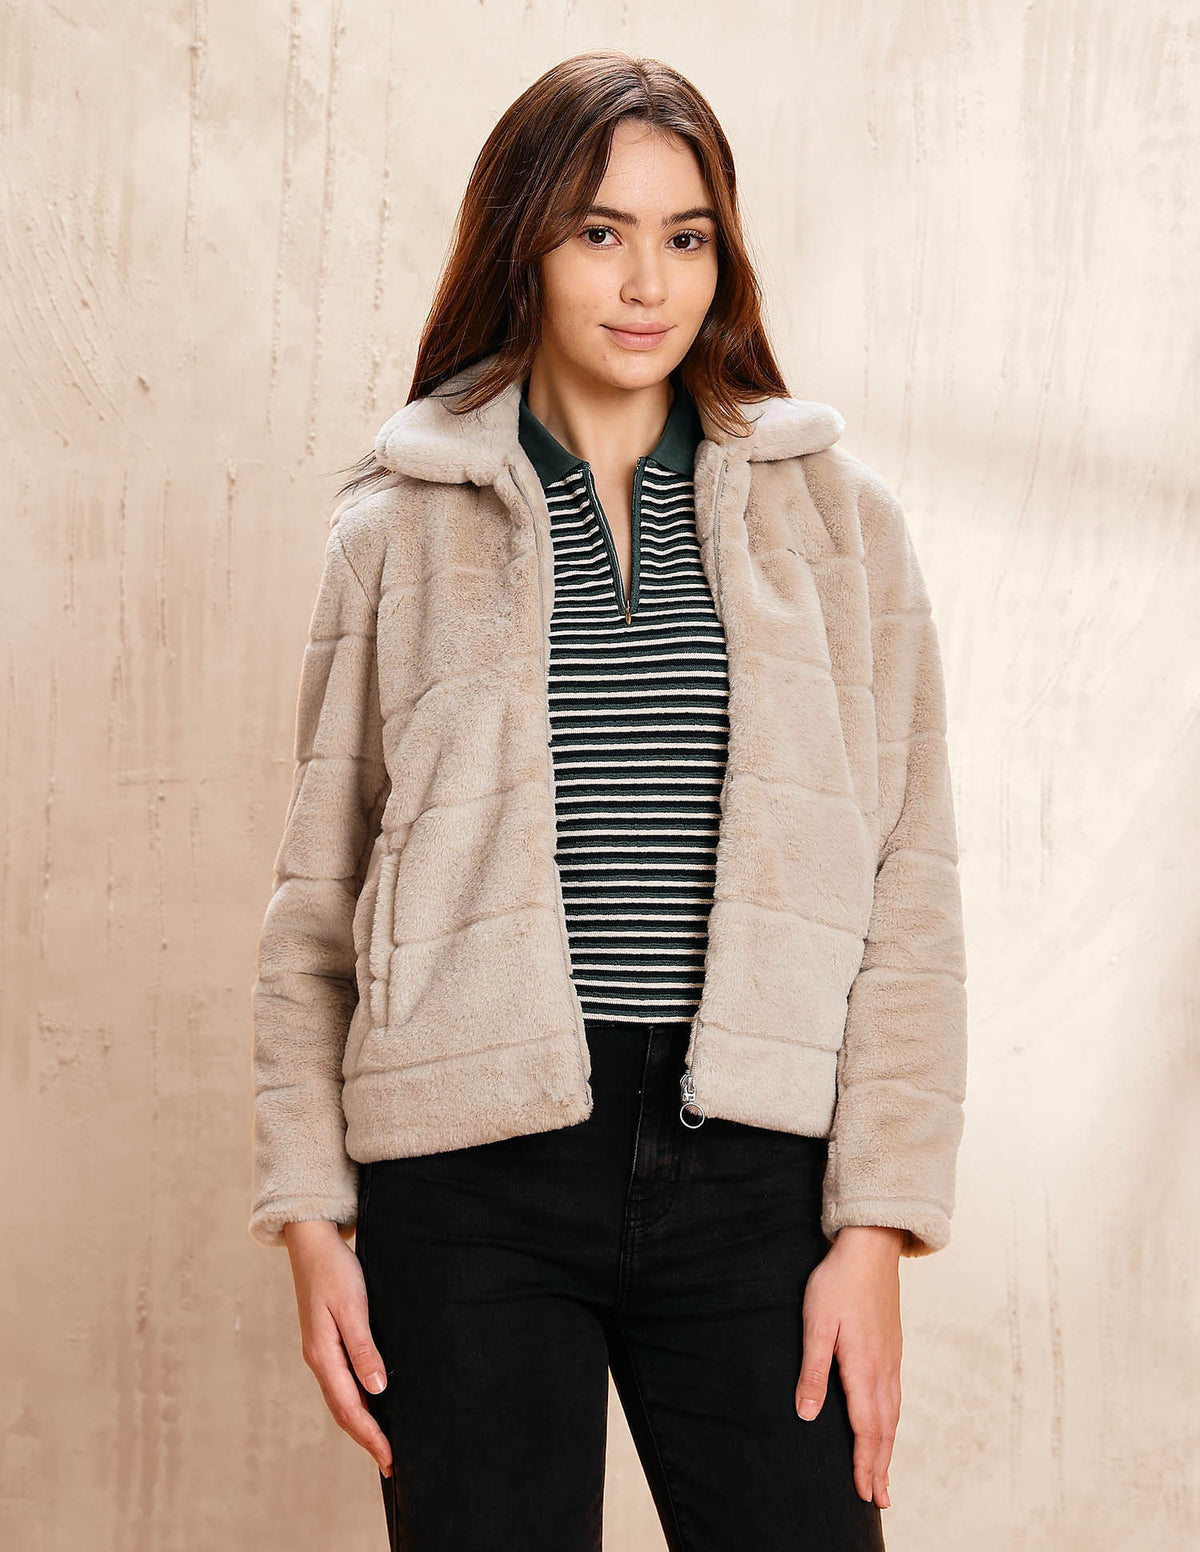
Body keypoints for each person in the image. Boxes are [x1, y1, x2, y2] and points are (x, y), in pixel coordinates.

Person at [248, 49, 968, 1552]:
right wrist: (310, 1213)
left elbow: (910, 886)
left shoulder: (840, 524)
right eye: (600, 232)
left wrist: (877, 1224)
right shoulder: (395, 529)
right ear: (525, 246)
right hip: (466, 1182)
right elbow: (320, 902)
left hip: (759, 1175)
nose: (649, 283)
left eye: (685, 235)